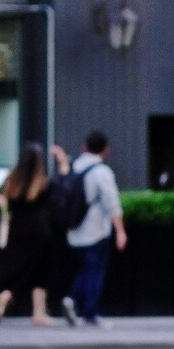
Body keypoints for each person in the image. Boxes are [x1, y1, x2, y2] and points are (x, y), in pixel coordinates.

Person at [0, 142, 67, 323]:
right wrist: (62, 168)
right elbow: (57, 196)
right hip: (39, 230)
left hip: (17, 229)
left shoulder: (12, 179)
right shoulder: (42, 181)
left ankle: (35, 312)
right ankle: (24, 305)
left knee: (23, 266)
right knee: (40, 270)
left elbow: (1, 198)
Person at [61, 129, 128, 329]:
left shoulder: (73, 167)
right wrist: (121, 231)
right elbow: (112, 203)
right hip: (96, 230)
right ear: (105, 150)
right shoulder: (102, 172)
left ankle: (72, 299)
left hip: (73, 229)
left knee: (84, 268)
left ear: (84, 146)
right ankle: (87, 311)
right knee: (94, 271)